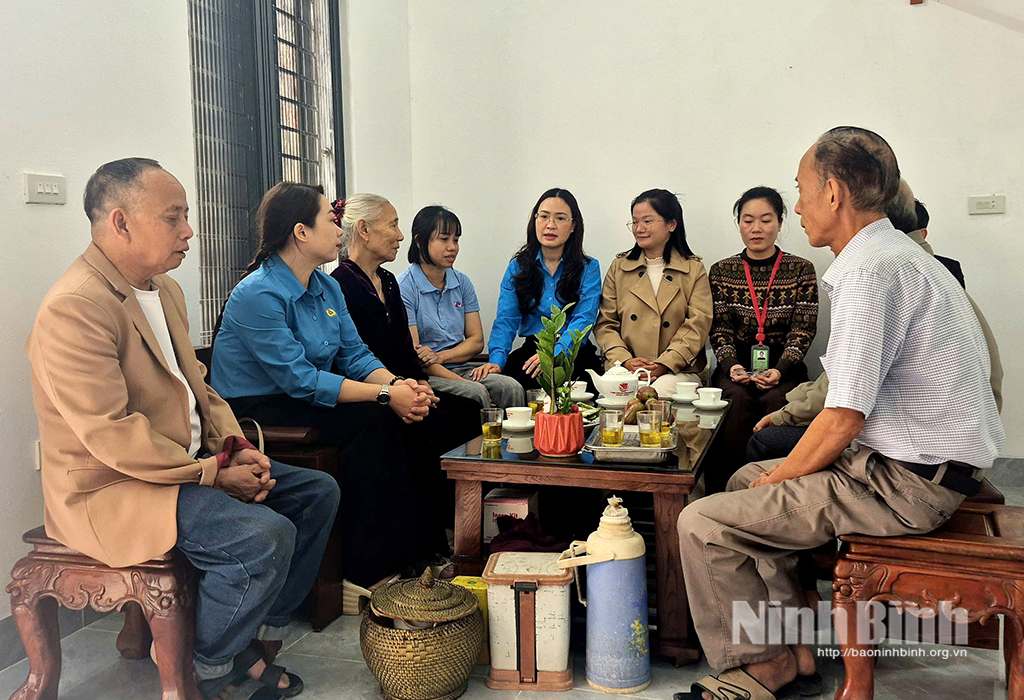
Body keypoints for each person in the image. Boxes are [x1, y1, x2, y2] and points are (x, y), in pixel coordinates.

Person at [676, 128, 1004, 700]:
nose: (799, 206)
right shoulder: (897, 253)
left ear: (833, 192)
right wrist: (776, 475)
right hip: (916, 467)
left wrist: (783, 475)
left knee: (702, 523)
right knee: (744, 480)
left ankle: (762, 664)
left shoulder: (868, 270)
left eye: (800, 190)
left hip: (904, 485)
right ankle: (795, 646)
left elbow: (843, 416)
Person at [26, 159, 339, 700]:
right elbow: (111, 433)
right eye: (173, 218)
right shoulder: (75, 308)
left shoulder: (163, 290)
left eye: (186, 216)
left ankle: (254, 639)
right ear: (120, 222)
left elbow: (201, 390)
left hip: (185, 466)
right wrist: (213, 473)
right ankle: (210, 666)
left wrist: (235, 448)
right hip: (117, 485)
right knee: (262, 535)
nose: (189, 231)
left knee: (317, 493)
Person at [210, 182, 447, 598]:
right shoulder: (258, 293)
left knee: (420, 417)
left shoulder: (327, 286)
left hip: (305, 397)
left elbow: (356, 355)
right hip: (258, 408)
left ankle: (422, 552)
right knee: (374, 422)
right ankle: (366, 569)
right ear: (301, 232)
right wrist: (385, 396)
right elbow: (299, 379)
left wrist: (398, 386)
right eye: (331, 220)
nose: (340, 230)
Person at [746, 179, 1003, 464]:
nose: (799, 208)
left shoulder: (873, 273)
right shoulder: (927, 266)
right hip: (952, 441)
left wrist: (785, 414)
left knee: (759, 456)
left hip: (919, 452)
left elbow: (843, 402)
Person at [329, 195, 482, 457]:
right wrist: (402, 389)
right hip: (373, 391)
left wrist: (421, 384)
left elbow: (406, 348)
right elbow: (351, 359)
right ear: (364, 229)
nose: (401, 236)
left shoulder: (388, 280)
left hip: (405, 384)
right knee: (437, 422)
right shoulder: (339, 284)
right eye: (393, 225)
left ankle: (475, 483)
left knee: (468, 410)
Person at [702, 186, 819, 494]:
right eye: (748, 220)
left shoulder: (801, 270)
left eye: (766, 220)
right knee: (733, 401)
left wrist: (780, 369)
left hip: (784, 365)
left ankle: (773, 491)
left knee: (778, 400)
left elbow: (803, 330)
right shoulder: (722, 271)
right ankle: (726, 493)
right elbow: (719, 329)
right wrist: (732, 366)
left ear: (779, 223)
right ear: (739, 224)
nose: (756, 228)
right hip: (736, 365)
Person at [472, 188, 603, 393]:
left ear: (573, 226)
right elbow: (506, 320)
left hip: (574, 352)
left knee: (585, 392)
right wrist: (496, 361)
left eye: (560, 218)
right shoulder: (518, 267)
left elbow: (584, 319)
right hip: (533, 351)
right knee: (513, 388)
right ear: (535, 221)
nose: (550, 225)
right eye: (544, 216)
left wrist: (555, 353)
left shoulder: (589, 268)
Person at [397, 205, 525, 409]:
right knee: (475, 393)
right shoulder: (404, 287)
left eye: (456, 240)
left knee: (511, 387)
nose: (453, 247)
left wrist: (440, 356)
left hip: (462, 368)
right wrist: (467, 383)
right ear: (419, 241)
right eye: (444, 239)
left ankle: (514, 433)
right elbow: (417, 357)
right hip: (427, 375)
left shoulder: (462, 282)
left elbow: (476, 341)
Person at [594, 189, 713, 398]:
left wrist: (664, 364)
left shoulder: (693, 269)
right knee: (614, 396)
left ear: (671, 224)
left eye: (647, 221)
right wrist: (625, 361)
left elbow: (698, 325)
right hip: (626, 370)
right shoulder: (619, 267)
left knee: (656, 393)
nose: (639, 229)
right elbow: (606, 324)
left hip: (677, 371)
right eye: (635, 222)